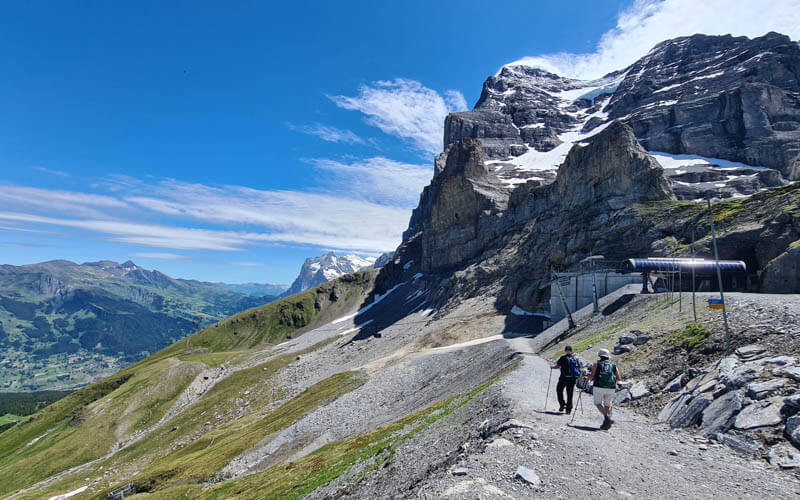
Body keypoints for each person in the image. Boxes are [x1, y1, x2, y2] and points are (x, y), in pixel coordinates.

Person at [587, 348, 622, 430]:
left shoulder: (597, 364)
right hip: (611, 387)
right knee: (607, 405)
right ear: (608, 356)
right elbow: (619, 378)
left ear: (600, 356)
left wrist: (586, 378)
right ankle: (606, 423)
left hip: (599, 386)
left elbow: (592, 376)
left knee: (598, 403)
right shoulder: (613, 365)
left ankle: (607, 418)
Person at [550, 345, 580, 414]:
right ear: (572, 351)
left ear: (565, 351)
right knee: (570, 394)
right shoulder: (575, 358)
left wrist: (552, 367)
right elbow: (579, 369)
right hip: (572, 379)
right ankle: (568, 409)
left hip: (563, 378)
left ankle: (562, 405)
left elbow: (558, 366)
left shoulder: (563, 358)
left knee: (559, 390)